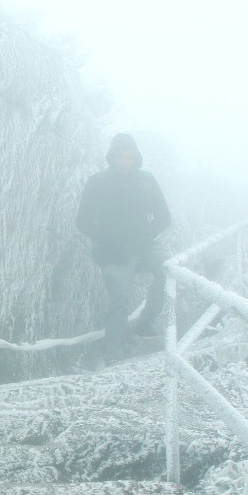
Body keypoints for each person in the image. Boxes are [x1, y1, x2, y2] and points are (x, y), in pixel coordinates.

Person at [76, 133, 172, 362]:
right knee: (120, 298)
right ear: (113, 157)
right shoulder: (97, 183)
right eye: (121, 156)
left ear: (135, 157)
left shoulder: (147, 182)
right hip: (113, 253)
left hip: (145, 246)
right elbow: (83, 221)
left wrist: (146, 234)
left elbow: (164, 217)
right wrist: (107, 239)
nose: (125, 161)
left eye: (129, 157)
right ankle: (114, 353)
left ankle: (146, 322)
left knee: (169, 268)